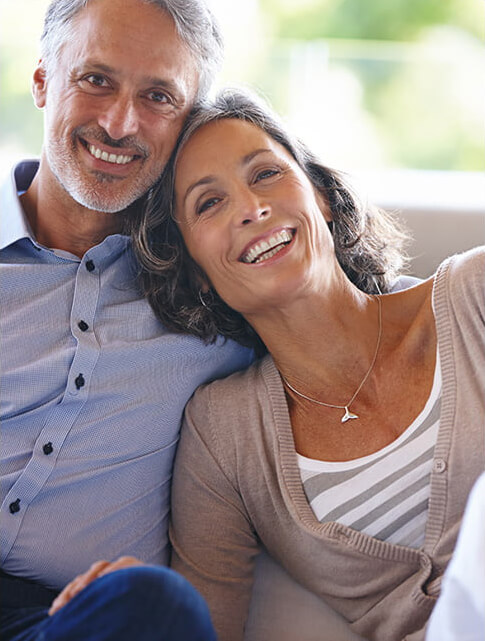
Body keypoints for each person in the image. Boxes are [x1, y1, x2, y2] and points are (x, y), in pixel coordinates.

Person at [133, 89, 485, 641]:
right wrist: (126, 605)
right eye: (208, 203)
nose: (251, 208)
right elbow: (200, 628)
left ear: (319, 193)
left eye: (266, 173)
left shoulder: (475, 295)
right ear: (195, 270)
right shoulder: (224, 435)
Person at [0, 2, 253, 639]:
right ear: (41, 82)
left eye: (158, 96)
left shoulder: (212, 283)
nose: (120, 123)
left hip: (64, 622)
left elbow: (355, 298)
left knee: (152, 603)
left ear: (187, 123)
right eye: (96, 80)